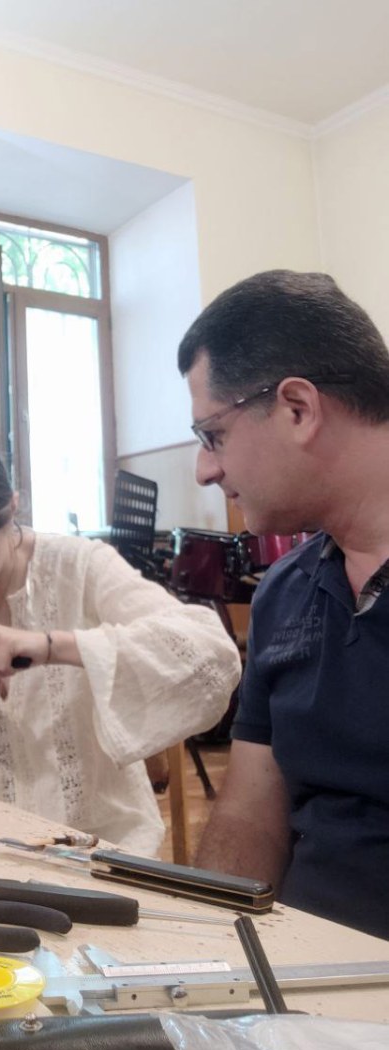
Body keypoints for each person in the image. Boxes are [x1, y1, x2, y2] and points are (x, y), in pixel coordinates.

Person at [0, 431, 240, 855]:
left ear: (12, 509)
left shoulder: (79, 566)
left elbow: (212, 653)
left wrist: (49, 646)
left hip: (101, 844)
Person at [179, 269, 389, 941]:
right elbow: (249, 817)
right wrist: (211, 955)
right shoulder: (283, 592)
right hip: (298, 975)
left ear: (298, 408)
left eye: (213, 434)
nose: (205, 470)